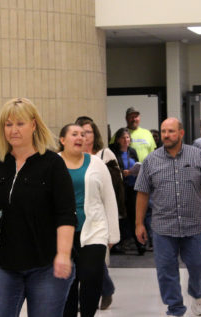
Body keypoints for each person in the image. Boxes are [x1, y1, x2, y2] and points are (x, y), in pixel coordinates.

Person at [0, 98, 77, 317]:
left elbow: (66, 214)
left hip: (46, 264)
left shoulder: (52, 164)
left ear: (33, 125)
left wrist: (63, 254)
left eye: (20, 124)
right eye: (8, 124)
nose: (13, 130)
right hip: (1, 262)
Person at [135, 118, 201, 317]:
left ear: (180, 133)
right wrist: (139, 223)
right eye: (163, 131)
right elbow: (142, 193)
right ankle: (175, 309)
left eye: (171, 131)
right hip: (163, 227)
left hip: (195, 226)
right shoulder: (151, 160)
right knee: (166, 271)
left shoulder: (198, 156)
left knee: (199, 266)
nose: (166, 135)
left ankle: (197, 294)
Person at [59, 124, 120, 317]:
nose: (80, 137)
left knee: (92, 278)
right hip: (63, 232)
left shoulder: (96, 163)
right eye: (74, 134)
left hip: (95, 230)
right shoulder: (53, 163)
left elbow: (109, 198)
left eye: (83, 134)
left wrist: (113, 234)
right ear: (62, 140)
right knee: (68, 283)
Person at [74, 116, 124, 310]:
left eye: (88, 133)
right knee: (84, 262)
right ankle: (102, 289)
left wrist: (113, 224)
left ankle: (101, 291)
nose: (84, 137)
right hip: (78, 219)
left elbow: (115, 189)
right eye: (79, 133)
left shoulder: (105, 155)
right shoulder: (68, 158)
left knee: (93, 261)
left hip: (99, 217)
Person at [110, 128, 147, 255]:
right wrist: (122, 172)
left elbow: (137, 165)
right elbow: (111, 169)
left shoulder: (132, 151)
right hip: (119, 188)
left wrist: (133, 171)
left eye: (127, 138)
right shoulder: (113, 152)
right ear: (118, 139)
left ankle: (140, 244)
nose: (126, 140)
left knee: (134, 215)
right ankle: (116, 244)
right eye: (123, 138)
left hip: (132, 187)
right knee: (119, 216)